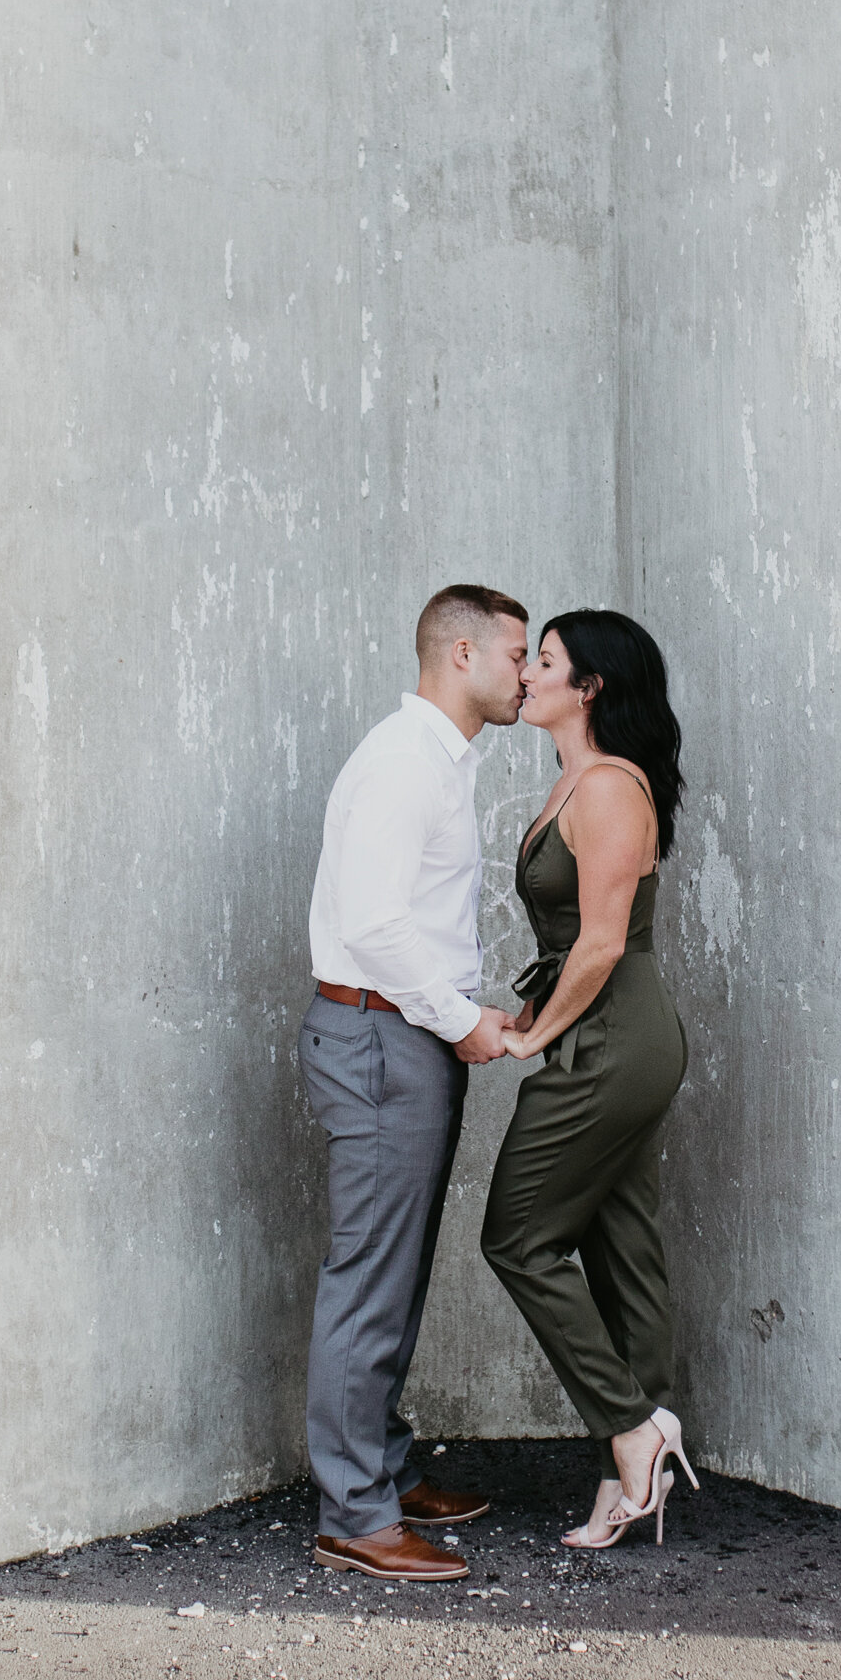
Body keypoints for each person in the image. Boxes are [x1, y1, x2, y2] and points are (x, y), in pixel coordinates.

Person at [300, 583, 531, 1581]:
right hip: (382, 1036)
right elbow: (375, 924)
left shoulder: (437, 758)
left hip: (402, 1037)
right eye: (518, 654)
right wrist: (462, 1018)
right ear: (464, 652)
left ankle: (380, 1475)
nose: (529, 673)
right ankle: (354, 1513)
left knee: (394, 1275)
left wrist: (462, 1016)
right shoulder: (405, 761)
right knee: (369, 1282)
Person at [479, 609, 696, 1550]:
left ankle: (632, 1425)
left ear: (591, 685)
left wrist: (533, 1043)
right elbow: (575, 943)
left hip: (611, 1040)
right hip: (608, 1031)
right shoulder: (579, 779)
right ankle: (633, 1477)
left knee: (519, 1239)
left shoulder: (607, 788)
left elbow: (602, 942)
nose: (525, 673)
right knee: (620, 1246)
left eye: (547, 662)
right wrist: (530, 1014)